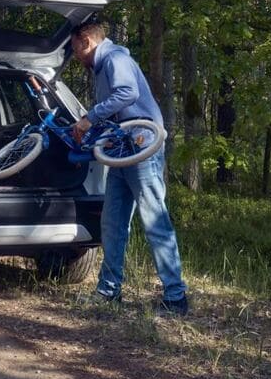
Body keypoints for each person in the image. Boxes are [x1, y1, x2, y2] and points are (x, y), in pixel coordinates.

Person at [70, 21, 189, 315]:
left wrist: (90, 118)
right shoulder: (101, 67)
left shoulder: (115, 59)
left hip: (142, 148)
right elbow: (115, 107)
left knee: (155, 221)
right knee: (112, 223)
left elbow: (127, 93)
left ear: (85, 41)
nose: (75, 56)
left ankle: (175, 298)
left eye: (74, 49)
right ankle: (108, 291)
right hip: (121, 151)